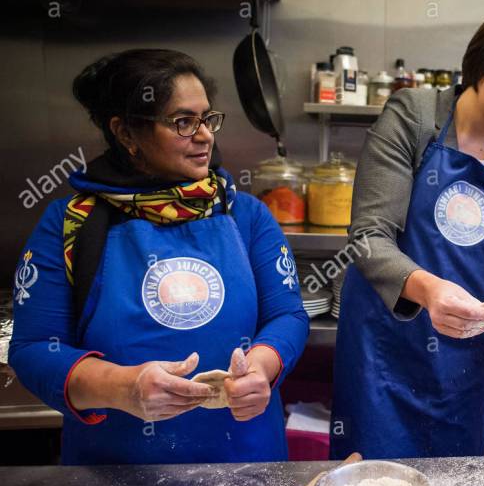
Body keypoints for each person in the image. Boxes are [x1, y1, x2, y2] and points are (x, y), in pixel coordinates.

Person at [9, 49, 309, 464]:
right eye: (183, 122)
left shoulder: (246, 214)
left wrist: (262, 365)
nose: (205, 136)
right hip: (114, 471)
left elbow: (287, 315)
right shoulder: (70, 224)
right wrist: (123, 387)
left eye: (207, 118)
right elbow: (34, 349)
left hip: (245, 458)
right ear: (126, 133)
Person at [329, 2, 484, 459]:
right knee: (372, 484)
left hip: (466, 360)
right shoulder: (415, 116)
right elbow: (369, 236)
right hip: (386, 350)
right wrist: (430, 290)